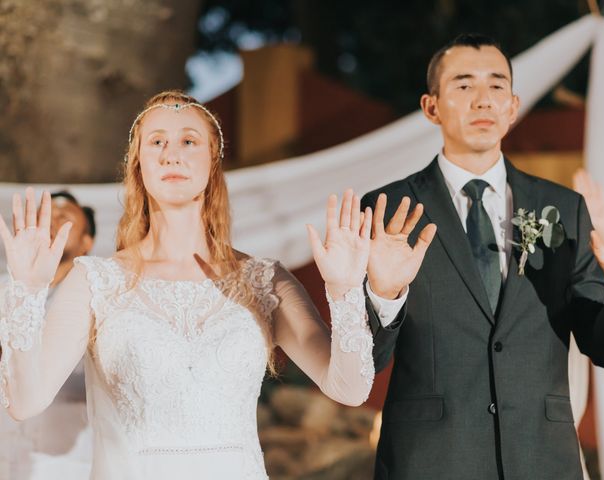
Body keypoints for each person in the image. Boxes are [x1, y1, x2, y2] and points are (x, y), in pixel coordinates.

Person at [0, 90, 408, 480]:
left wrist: (345, 289)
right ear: (137, 163)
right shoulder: (95, 281)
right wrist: (27, 291)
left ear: (213, 159)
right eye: (156, 141)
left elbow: (350, 389)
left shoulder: (265, 280)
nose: (171, 153)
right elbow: (24, 401)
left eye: (189, 141)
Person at [361, 34, 604, 479]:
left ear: (513, 105)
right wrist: (385, 293)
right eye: (464, 85)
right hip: (430, 461)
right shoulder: (386, 210)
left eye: (496, 86)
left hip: (541, 459)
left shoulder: (565, 209)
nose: (483, 100)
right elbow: (364, 360)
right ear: (431, 107)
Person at [0, 191, 96, 480]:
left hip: (67, 457)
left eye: (64, 217)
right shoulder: (8, 289)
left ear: (86, 242)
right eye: (48, 214)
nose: (52, 220)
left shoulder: (95, 294)